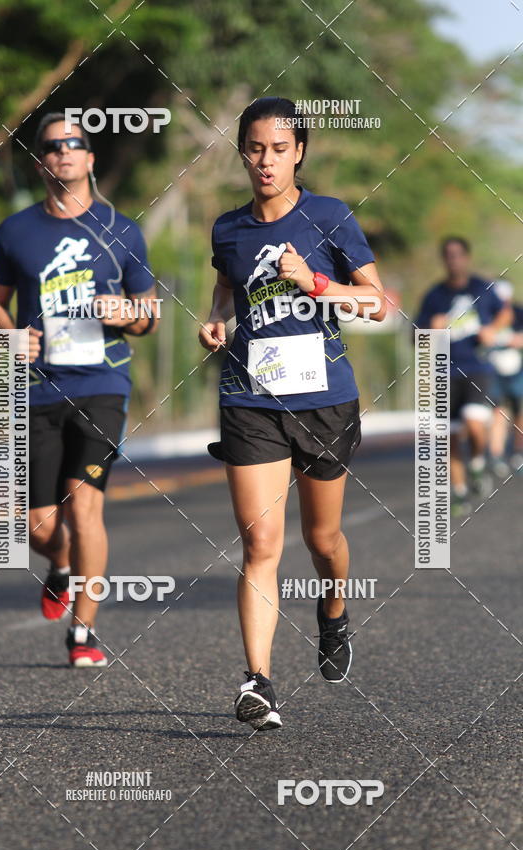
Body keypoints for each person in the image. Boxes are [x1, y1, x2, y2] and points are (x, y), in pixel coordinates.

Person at [199, 97, 386, 731]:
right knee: (260, 543)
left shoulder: (330, 217)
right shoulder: (227, 228)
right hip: (250, 399)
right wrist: (217, 321)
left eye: (279, 149)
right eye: (255, 148)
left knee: (322, 540)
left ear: (299, 151)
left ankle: (334, 611)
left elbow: (377, 303)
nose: (266, 161)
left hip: (323, 401)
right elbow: (227, 287)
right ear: (243, 153)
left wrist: (315, 284)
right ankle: (258, 682)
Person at [0, 112, 158, 666]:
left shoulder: (123, 230)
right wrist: (9, 336)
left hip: (103, 384)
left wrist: (127, 313)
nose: (64, 153)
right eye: (53, 147)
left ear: (90, 159)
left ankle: (83, 635)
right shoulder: (17, 232)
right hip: (36, 388)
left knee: (86, 511)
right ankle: (58, 565)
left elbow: (151, 314)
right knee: (38, 526)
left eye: (74, 144)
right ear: (42, 163)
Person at [414, 238, 512, 517]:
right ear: (443, 260)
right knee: (450, 438)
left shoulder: (481, 288)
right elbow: (415, 336)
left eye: (458, 255)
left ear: (467, 258)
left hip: (477, 368)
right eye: (448, 255)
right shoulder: (434, 296)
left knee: (474, 421)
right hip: (445, 372)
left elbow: (505, 312)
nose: (453, 260)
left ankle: (478, 462)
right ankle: (458, 494)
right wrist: (428, 331)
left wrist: (492, 329)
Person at [486, 280, 523, 478]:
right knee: (498, 412)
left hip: (517, 369)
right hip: (494, 369)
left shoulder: (518, 313)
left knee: (520, 412)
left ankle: (518, 454)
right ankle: (496, 455)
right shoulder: (488, 314)